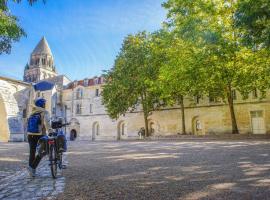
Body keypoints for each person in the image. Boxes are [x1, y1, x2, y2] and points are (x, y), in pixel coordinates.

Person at [27, 98, 52, 177]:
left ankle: (31, 171)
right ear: (42, 104)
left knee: (32, 152)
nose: (45, 105)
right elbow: (47, 123)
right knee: (44, 150)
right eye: (44, 104)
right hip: (40, 135)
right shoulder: (44, 112)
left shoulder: (32, 112)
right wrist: (50, 131)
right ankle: (33, 167)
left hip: (30, 135)